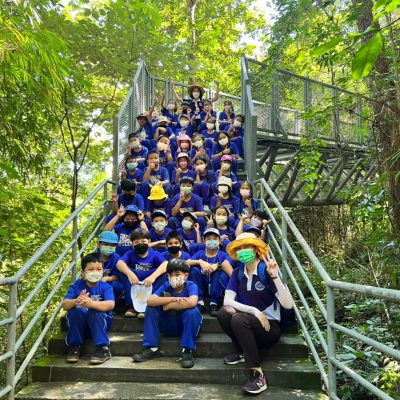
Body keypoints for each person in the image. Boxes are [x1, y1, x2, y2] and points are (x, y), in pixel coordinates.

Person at [218, 232, 293, 395]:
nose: (242, 251)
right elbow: (227, 301)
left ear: (256, 249)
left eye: (246, 247)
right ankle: (242, 351)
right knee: (224, 313)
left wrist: (275, 277)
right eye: (239, 248)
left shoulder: (266, 271)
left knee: (238, 318)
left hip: (269, 329)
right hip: (248, 322)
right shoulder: (237, 273)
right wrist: (254, 311)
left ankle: (257, 375)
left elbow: (288, 305)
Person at [132, 259, 202, 368]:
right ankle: (151, 348)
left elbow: (192, 302)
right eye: (171, 275)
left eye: (177, 274)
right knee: (151, 308)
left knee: (192, 312)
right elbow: (150, 301)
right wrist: (173, 299)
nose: (173, 277)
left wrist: (168, 306)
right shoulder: (166, 285)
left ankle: (187, 351)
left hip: (185, 326)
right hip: (169, 325)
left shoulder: (191, 285)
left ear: (186, 275)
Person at [62, 253, 115, 365]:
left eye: (98, 269)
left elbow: (110, 304)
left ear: (103, 271)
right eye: (91, 269)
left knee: (95, 312)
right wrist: (76, 300)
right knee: (76, 311)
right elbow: (65, 305)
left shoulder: (106, 287)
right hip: (81, 326)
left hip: (100, 325)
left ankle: (103, 349)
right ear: (83, 272)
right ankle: (74, 347)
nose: (95, 272)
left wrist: (91, 304)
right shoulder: (76, 286)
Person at [116, 229, 168, 318]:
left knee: (163, 273)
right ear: (132, 244)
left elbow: (166, 264)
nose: (140, 244)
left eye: (143, 241)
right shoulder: (130, 253)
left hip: (149, 281)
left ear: (149, 241)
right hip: (135, 280)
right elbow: (119, 263)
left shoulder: (154, 253)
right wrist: (130, 274)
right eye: (136, 242)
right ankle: (131, 305)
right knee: (122, 270)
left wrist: (153, 277)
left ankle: (149, 305)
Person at [187, 228, 233, 316]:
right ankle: (200, 302)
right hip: (202, 285)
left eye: (215, 239)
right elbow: (186, 262)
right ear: (204, 241)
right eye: (208, 239)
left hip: (216, 287)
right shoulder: (200, 253)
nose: (212, 241)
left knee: (219, 272)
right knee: (193, 270)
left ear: (219, 241)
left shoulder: (222, 254)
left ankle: (214, 303)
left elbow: (228, 265)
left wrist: (218, 265)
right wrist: (199, 261)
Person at [97, 231, 124, 302]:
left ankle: (111, 303)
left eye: (112, 245)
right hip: (95, 282)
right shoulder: (94, 257)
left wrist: (107, 279)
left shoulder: (116, 258)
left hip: (111, 282)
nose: (109, 247)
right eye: (106, 244)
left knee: (116, 286)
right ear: (99, 244)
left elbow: (117, 276)